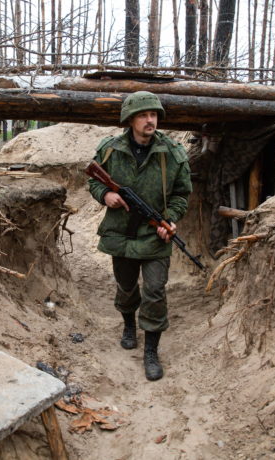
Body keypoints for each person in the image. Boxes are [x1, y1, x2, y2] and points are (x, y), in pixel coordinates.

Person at [88, 91, 193, 381]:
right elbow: (93, 180)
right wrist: (105, 194)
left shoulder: (172, 153)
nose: (150, 120)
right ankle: (128, 325)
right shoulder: (110, 149)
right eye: (144, 115)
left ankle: (151, 351)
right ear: (130, 120)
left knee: (155, 291)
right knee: (126, 286)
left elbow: (182, 194)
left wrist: (169, 219)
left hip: (154, 237)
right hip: (121, 234)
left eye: (154, 115)